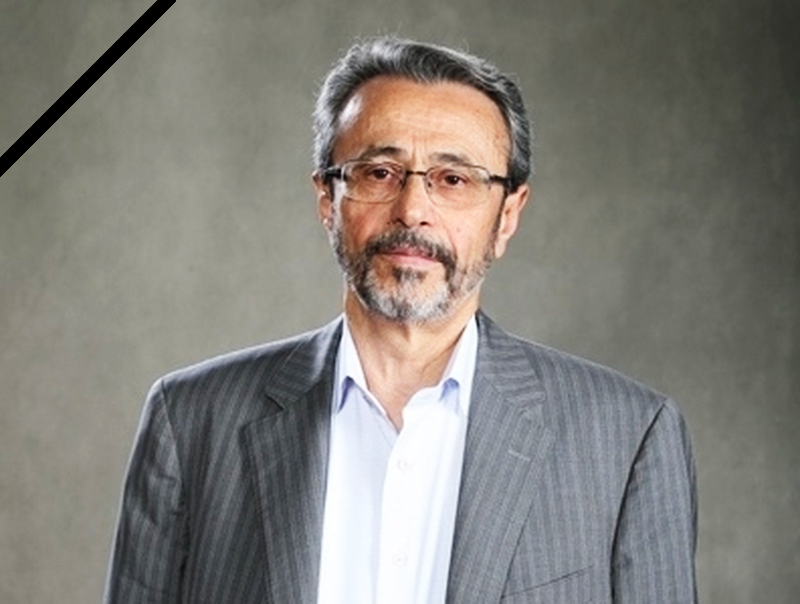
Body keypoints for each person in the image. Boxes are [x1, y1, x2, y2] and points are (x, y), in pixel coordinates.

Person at [104, 37, 697, 603]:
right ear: (327, 199)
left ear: (508, 215)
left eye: (453, 179)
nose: (413, 210)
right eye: (379, 173)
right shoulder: (191, 422)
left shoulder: (627, 440)